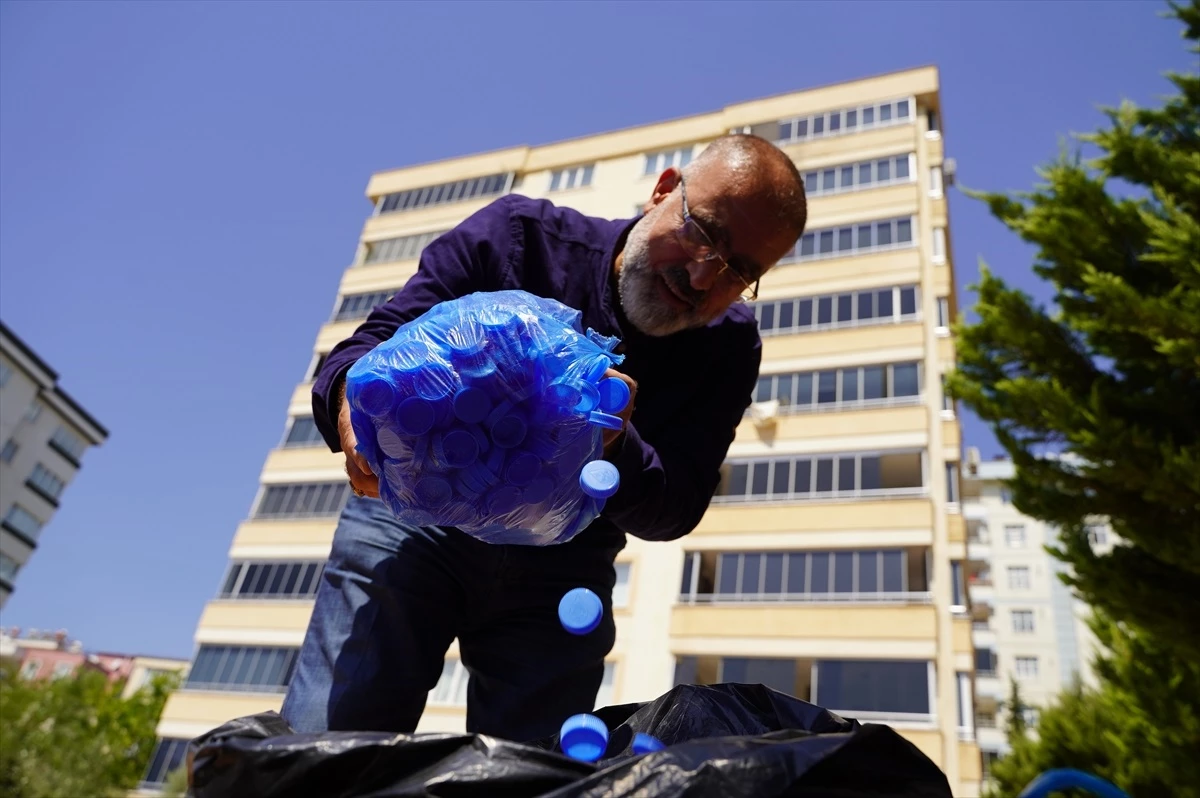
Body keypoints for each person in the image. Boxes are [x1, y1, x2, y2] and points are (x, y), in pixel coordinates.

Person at [280, 133, 808, 741]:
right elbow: (364, 350)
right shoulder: (517, 234)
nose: (701, 274)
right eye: (705, 232)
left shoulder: (730, 345)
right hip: (415, 521)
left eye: (739, 270)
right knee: (328, 743)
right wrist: (351, 405)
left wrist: (609, 437)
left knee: (532, 773)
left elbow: (678, 507)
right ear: (663, 191)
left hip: (564, 566)